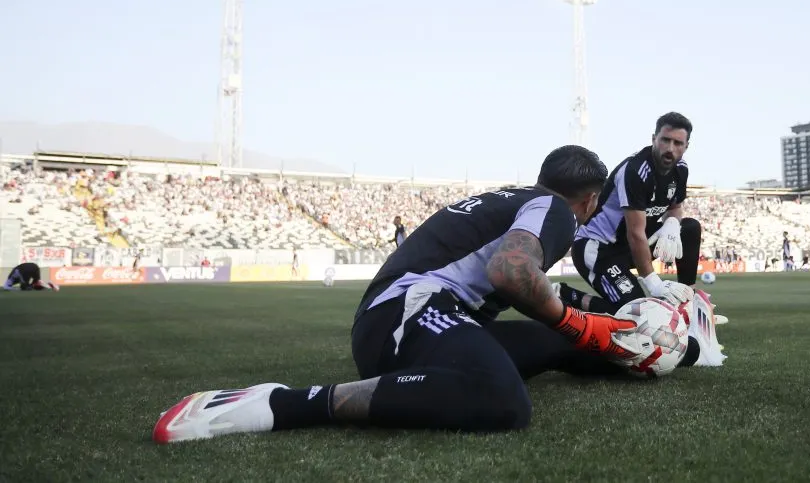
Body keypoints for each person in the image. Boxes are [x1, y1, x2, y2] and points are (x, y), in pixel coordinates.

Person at [153, 145, 718, 444]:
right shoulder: (555, 213)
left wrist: (617, 321)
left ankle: (651, 355)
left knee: (564, 341)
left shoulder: (521, 200)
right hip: (411, 312)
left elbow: (536, 284)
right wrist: (582, 324)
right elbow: (511, 272)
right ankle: (282, 403)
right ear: (591, 200)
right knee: (503, 399)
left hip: (411, 315)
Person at [553, 113, 725, 365]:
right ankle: (567, 297)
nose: (670, 148)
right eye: (665, 140)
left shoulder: (681, 169)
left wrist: (672, 223)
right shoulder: (635, 171)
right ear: (654, 138)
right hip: (599, 249)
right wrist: (654, 285)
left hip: (633, 244)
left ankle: (686, 304)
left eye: (678, 143)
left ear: (686, 147)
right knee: (636, 319)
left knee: (689, 228)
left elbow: (675, 206)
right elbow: (635, 233)